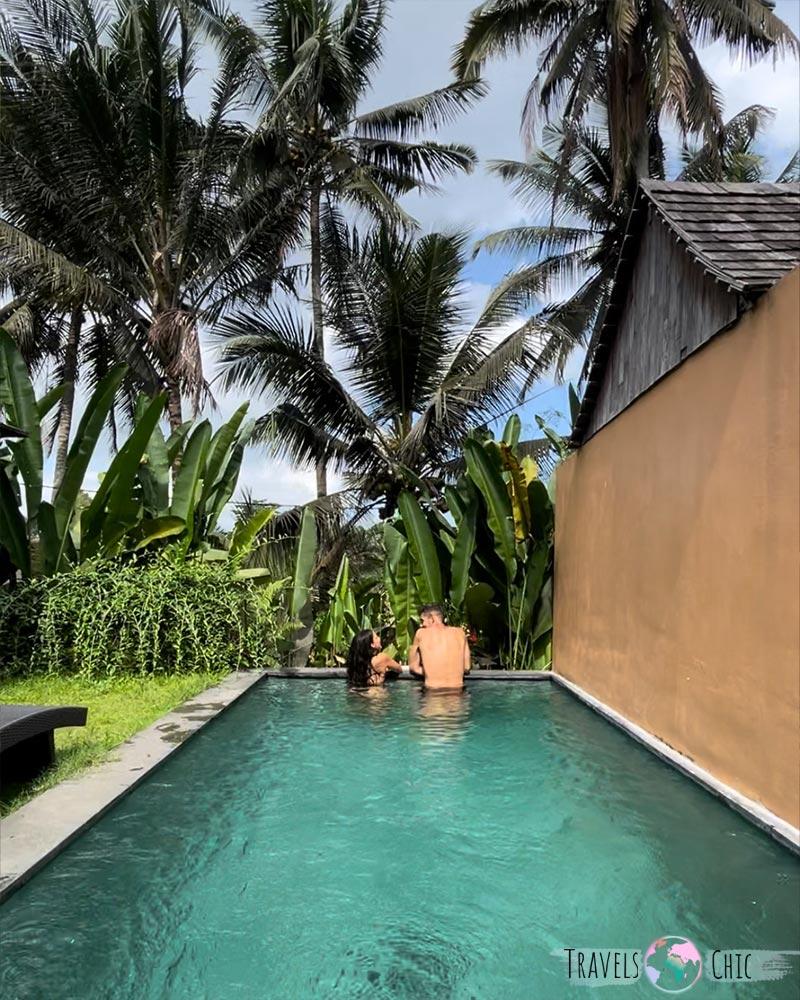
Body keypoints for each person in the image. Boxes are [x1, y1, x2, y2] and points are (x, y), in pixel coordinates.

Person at [408, 605, 470, 690]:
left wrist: (432, 672)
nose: (422, 624)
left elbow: (413, 668)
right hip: (457, 691)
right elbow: (466, 668)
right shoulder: (460, 633)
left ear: (431, 618)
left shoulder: (421, 633)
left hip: (433, 691)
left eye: (423, 621)